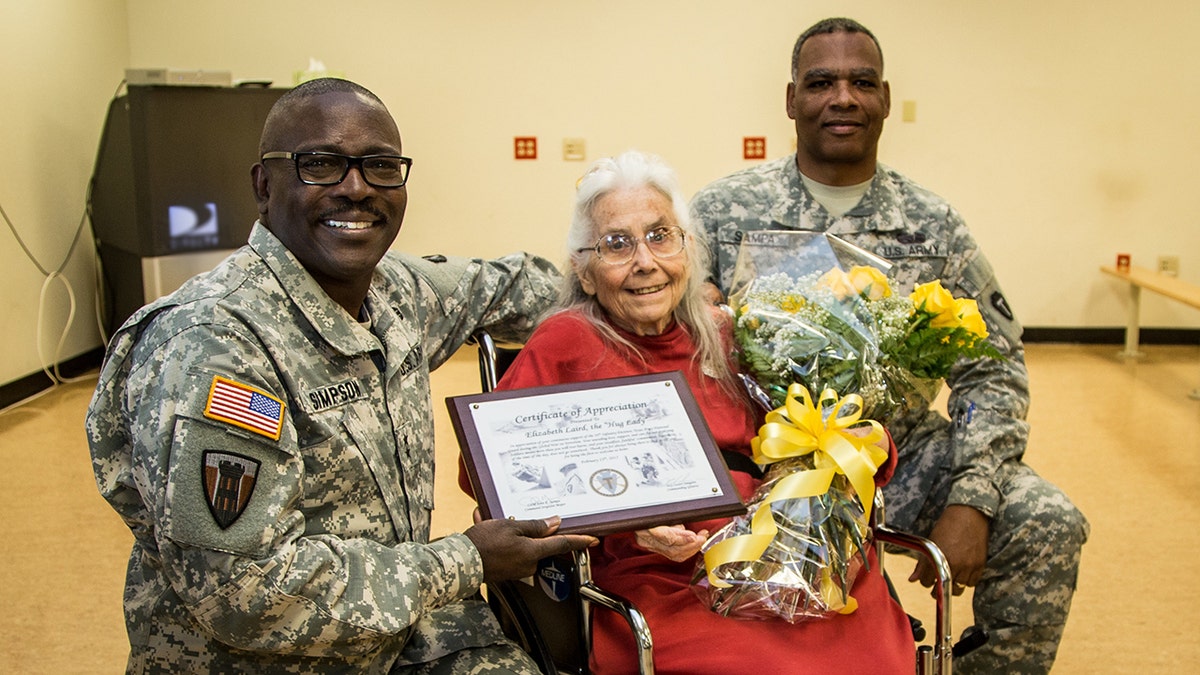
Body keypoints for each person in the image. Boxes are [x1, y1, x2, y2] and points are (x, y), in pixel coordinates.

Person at [85, 77, 597, 674]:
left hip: (404, 633)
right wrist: (466, 561)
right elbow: (245, 595)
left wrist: (643, 289)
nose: (356, 189)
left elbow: (512, 285)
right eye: (321, 164)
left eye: (380, 166)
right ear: (263, 185)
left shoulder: (395, 293)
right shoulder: (214, 348)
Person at [690, 17, 1089, 674]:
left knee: (1048, 519)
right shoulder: (725, 212)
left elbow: (993, 369)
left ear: (885, 98)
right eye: (821, 82)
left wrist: (972, 495)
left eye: (861, 82)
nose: (842, 97)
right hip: (755, 461)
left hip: (894, 460)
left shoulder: (930, 222)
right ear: (792, 100)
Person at [460, 150, 916, 674]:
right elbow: (493, 477)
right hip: (662, 575)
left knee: (872, 646)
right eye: (617, 244)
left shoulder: (736, 334)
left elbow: (817, 429)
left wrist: (860, 441)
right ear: (584, 273)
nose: (645, 262)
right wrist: (624, 524)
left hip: (784, 553)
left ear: (688, 249)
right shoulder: (566, 342)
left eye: (660, 236)